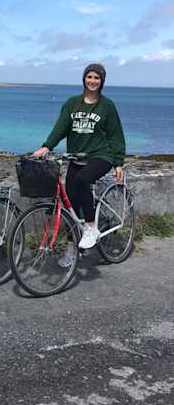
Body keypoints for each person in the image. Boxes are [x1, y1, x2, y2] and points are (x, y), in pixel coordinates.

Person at [33, 63, 125, 266]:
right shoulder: (72, 103)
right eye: (89, 77)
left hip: (101, 155)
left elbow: (115, 135)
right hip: (77, 157)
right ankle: (72, 249)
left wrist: (118, 162)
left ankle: (91, 227)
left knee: (84, 179)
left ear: (102, 81)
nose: (92, 81)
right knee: (71, 205)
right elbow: (61, 128)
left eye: (96, 78)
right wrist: (47, 146)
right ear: (84, 79)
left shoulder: (107, 106)